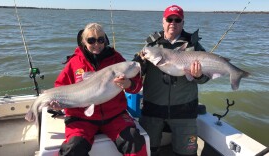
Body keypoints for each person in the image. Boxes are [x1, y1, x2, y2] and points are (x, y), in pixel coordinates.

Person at [53, 23, 147, 156]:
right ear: (84, 41)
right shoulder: (74, 63)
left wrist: (128, 84)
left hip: (114, 115)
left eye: (100, 40)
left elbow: (137, 84)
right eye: (91, 40)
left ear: (105, 40)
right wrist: (58, 104)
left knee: (134, 140)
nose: (96, 44)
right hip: (81, 118)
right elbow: (60, 87)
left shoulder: (116, 59)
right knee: (73, 148)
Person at [133, 5, 209, 156]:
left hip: (184, 110)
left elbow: (205, 78)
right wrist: (139, 64)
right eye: (169, 19)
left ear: (182, 23)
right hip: (152, 109)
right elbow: (136, 73)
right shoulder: (151, 45)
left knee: (186, 153)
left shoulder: (194, 46)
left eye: (177, 19)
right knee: (148, 151)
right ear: (163, 22)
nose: (173, 22)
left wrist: (199, 75)